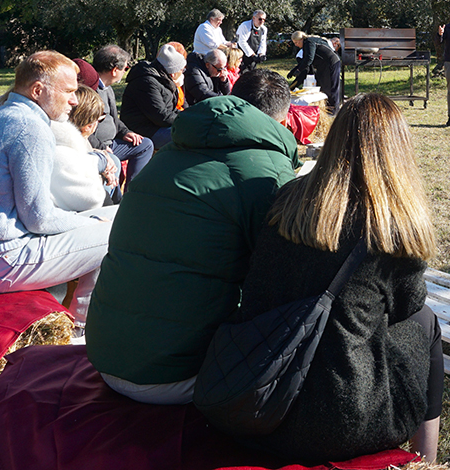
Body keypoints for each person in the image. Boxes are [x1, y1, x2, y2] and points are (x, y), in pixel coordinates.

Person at [234, 93, 442, 465]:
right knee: (426, 321)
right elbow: (409, 304)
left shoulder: (288, 200)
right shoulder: (389, 227)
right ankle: (426, 458)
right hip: (346, 425)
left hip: (259, 401)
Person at [86, 70, 300, 405]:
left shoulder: (165, 155)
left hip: (107, 355)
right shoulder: (268, 172)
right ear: (283, 120)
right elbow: (283, 275)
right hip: (180, 372)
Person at [0, 51, 118, 331]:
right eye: (68, 91)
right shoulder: (29, 128)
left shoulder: (2, 114)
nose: (75, 101)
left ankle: (78, 319)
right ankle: (82, 329)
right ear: (38, 90)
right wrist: (92, 223)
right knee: (119, 232)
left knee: (121, 214)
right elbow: (40, 219)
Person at [89, 45, 155, 182]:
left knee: (145, 145)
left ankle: (133, 188)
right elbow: (82, 128)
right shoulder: (90, 92)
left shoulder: (107, 88)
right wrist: (102, 148)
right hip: (96, 148)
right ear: (114, 70)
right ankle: (113, 194)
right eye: (125, 68)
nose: (125, 71)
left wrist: (125, 132)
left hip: (112, 144)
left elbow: (114, 118)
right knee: (114, 162)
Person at [50, 85, 119, 212]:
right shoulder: (70, 149)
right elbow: (91, 197)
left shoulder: (60, 136)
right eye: (100, 119)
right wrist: (101, 163)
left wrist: (102, 158)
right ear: (88, 126)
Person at [120, 43, 185, 150]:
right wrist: (185, 119)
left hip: (156, 126)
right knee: (188, 135)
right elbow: (161, 117)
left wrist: (188, 115)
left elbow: (170, 109)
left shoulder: (162, 79)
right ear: (173, 73)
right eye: (182, 70)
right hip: (143, 130)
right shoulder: (147, 82)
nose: (183, 73)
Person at [289, 30, 342, 111]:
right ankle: (325, 108)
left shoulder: (309, 42)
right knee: (322, 85)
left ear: (301, 39)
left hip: (332, 63)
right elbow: (306, 61)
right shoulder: (307, 43)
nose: (296, 45)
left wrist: (299, 70)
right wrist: (293, 70)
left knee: (332, 86)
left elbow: (309, 59)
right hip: (323, 64)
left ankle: (334, 109)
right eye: (294, 43)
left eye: (296, 42)